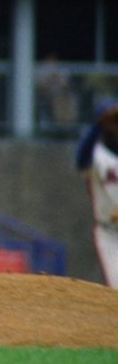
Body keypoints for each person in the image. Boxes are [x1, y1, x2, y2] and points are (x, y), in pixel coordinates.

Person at [75, 103, 118, 287]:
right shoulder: (96, 156)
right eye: (112, 123)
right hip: (109, 232)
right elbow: (81, 160)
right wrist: (98, 125)